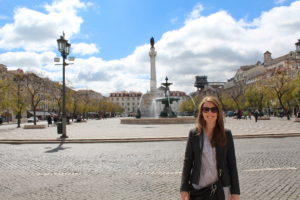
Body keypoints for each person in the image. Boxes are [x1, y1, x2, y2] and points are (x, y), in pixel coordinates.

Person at [180, 96, 240, 200]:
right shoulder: (194, 134)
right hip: (198, 188)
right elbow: (188, 162)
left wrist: (235, 191)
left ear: (218, 112)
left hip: (221, 187)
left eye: (213, 109)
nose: (209, 113)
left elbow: (232, 164)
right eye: (206, 109)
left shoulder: (226, 134)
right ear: (201, 112)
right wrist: (184, 188)